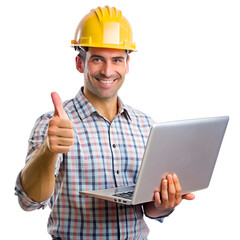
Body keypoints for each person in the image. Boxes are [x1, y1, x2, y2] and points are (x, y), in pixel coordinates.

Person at [15, 6, 195, 240]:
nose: (108, 71)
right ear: (80, 63)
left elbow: (149, 207)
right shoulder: (54, 124)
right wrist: (49, 150)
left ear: (127, 64)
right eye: (97, 59)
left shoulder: (145, 126)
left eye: (117, 60)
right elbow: (28, 201)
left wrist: (166, 203)